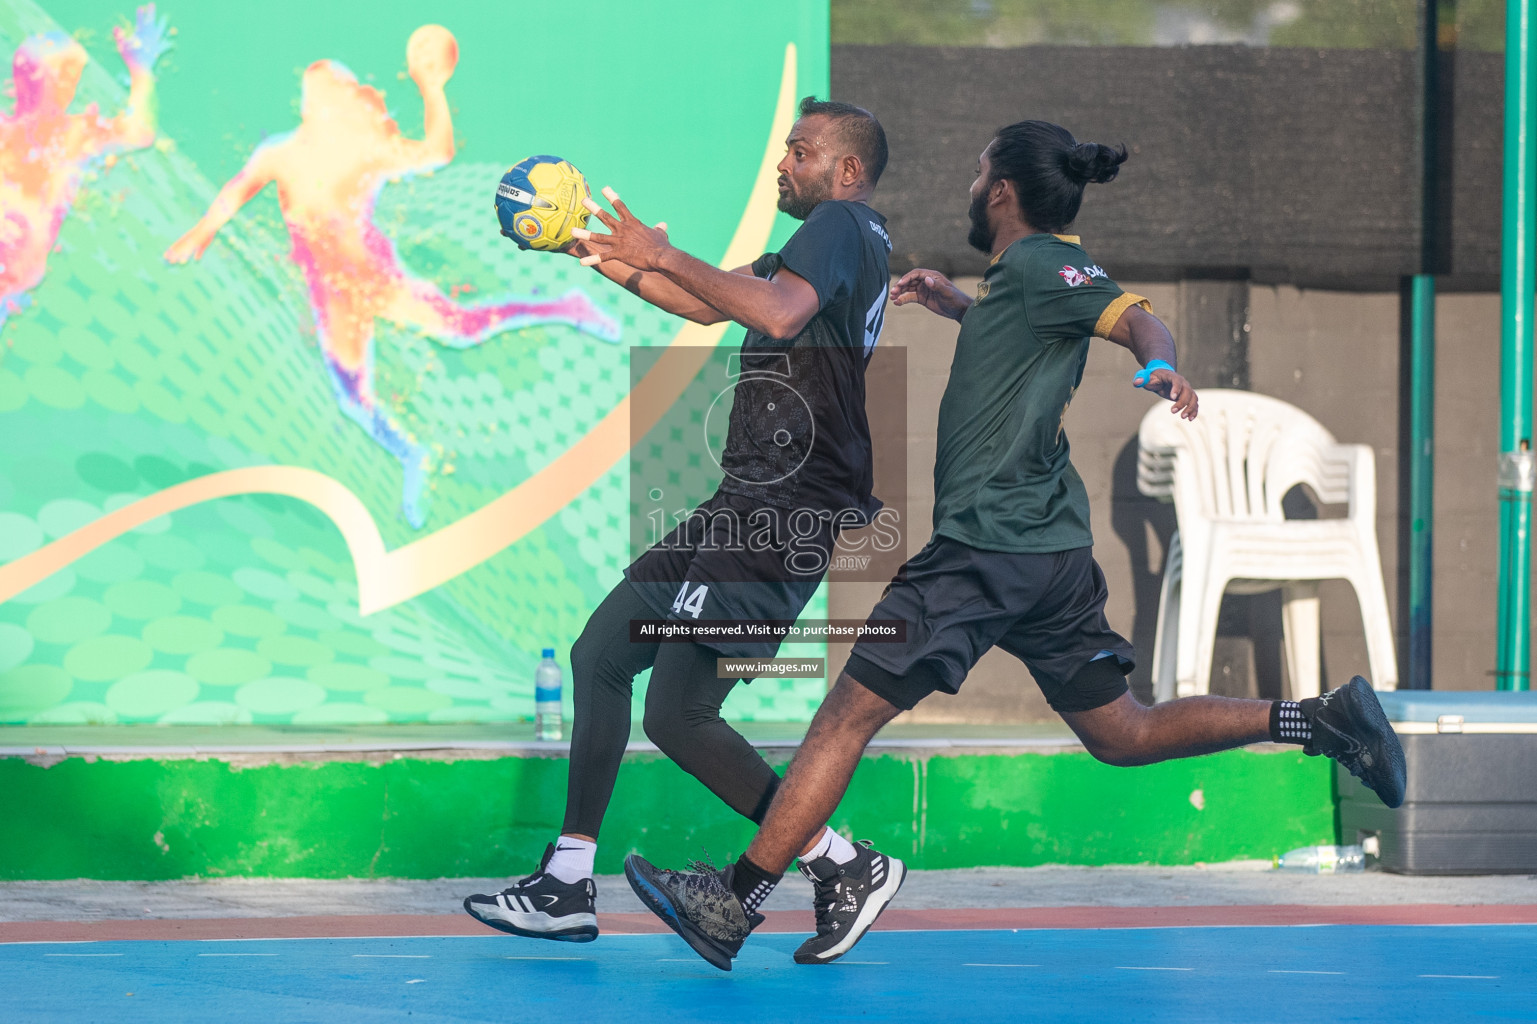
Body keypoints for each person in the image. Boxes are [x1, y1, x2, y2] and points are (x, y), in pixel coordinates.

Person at [623, 119, 1408, 971]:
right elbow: (1037, 336)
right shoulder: (1015, 282)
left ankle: (736, 903)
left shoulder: (1042, 264)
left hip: (983, 548)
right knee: (1119, 733)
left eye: (975, 174)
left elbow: (1132, 315)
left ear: (1001, 192)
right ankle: (1319, 718)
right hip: (1049, 551)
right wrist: (965, 308)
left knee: (843, 717)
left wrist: (1161, 362)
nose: (967, 187)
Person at [462, 98, 900, 954]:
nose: (784, 165)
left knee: (681, 714)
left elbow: (772, 313)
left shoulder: (843, 225)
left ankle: (841, 864)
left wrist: (659, 249)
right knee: (602, 655)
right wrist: (591, 252)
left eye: (800, 152)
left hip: (784, 511)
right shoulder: (825, 243)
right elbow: (709, 305)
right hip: (745, 503)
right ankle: (565, 882)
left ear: (846, 171)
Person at [164, 26, 618, 530]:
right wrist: (200, 233)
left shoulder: (364, 148)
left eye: (336, 88)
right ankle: (410, 454)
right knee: (354, 399)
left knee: (461, 328)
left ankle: (565, 307)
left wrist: (432, 89)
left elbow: (436, 153)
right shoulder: (280, 150)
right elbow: (236, 190)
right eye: (318, 89)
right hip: (331, 295)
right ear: (307, 103)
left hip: (375, 276)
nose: (326, 96)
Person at [2, 5, 168, 328]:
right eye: (69, 76)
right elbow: (139, 131)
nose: (74, 87)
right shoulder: (72, 137)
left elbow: (139, 132)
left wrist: (141, 70)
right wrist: (141, 69)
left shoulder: (72, 136)